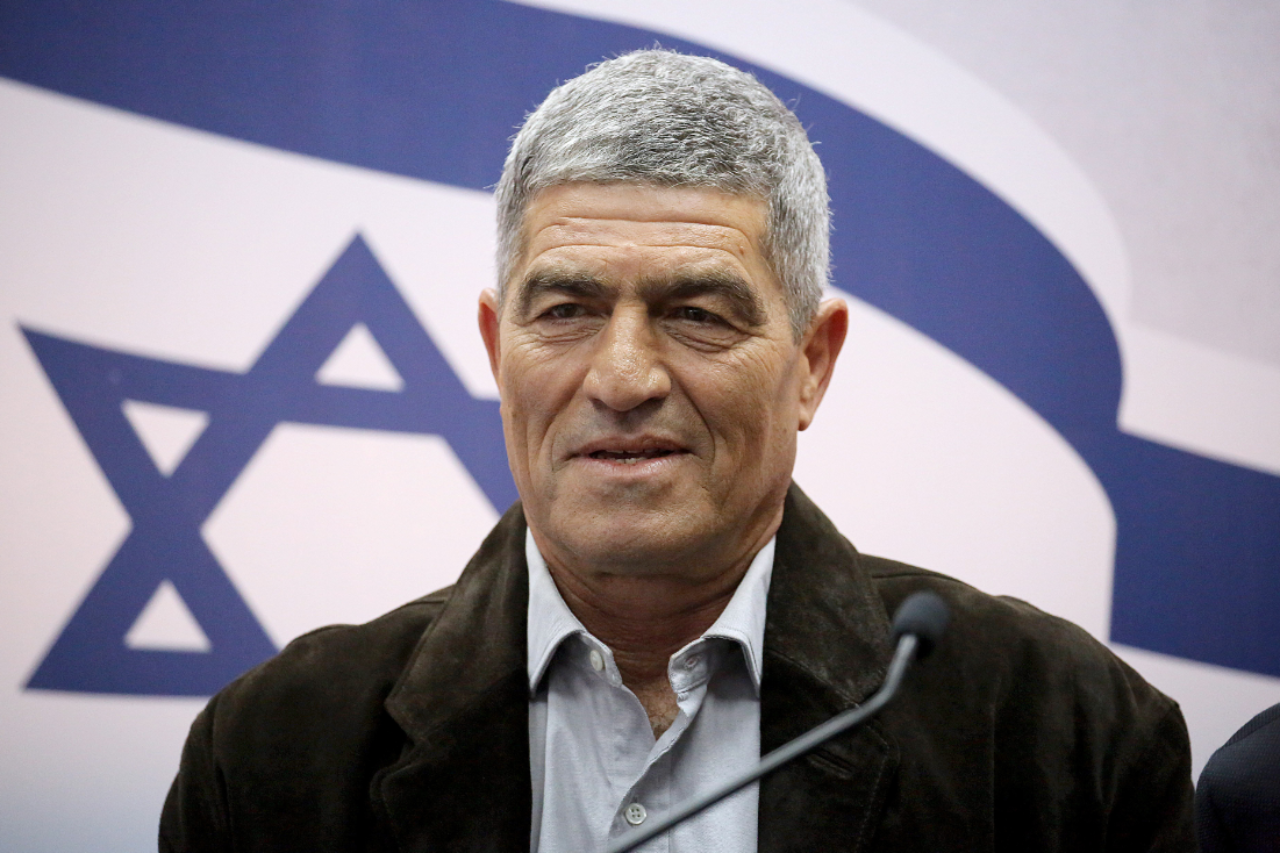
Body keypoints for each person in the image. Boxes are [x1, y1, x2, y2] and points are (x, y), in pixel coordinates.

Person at [160, 50, 1195, 852]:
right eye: (565, 310)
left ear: (810, 364)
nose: (621, 378)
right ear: (494, 348)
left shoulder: (1064, 738)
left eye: (697, 314)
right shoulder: (273, 751)